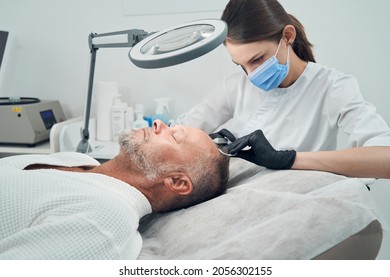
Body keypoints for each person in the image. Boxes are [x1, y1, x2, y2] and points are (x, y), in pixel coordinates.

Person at [177, 0, 390, 179]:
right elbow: (182, 130)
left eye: (257, 59)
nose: (251, 75)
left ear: (287, 36)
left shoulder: (332, 87)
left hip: (303, 201)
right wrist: (210, 145)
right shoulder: (235, 85)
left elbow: (385, 159)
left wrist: (289, 159)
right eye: (241, 66)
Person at [0, 120, 230, 259]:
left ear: (177, 182)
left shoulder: (106, 221)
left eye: (173, 135)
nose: (159, 124)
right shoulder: (76, 158)